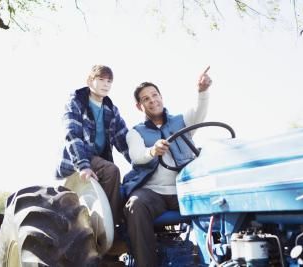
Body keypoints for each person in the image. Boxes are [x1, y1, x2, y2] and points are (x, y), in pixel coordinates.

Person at [122, 67, 212, 267]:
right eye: (146, 98)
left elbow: (199, 112)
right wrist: (152, 151)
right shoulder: (135, 133)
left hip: (185, 190)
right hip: (154, 194)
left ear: (161, 97)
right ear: (139, 106)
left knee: (216, 198)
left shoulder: (181, 121)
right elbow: (137, 157)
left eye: (155, 95)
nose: (152, 100)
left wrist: (202, 91)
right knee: (136, 204)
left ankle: (214, 258)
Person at [56, 64, 130, 228]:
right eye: (101, 79)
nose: (106, 84)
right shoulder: (75, 102)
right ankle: (110, 227)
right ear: (90, 80)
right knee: (112, 170)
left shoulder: (111, 109)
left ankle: (121, 223)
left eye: (109, 81)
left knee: (126, 181)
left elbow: (124, 141)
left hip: (99, 161)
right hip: (79, 159)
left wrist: (143, 161)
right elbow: (72, 134)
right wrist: (83, 165)